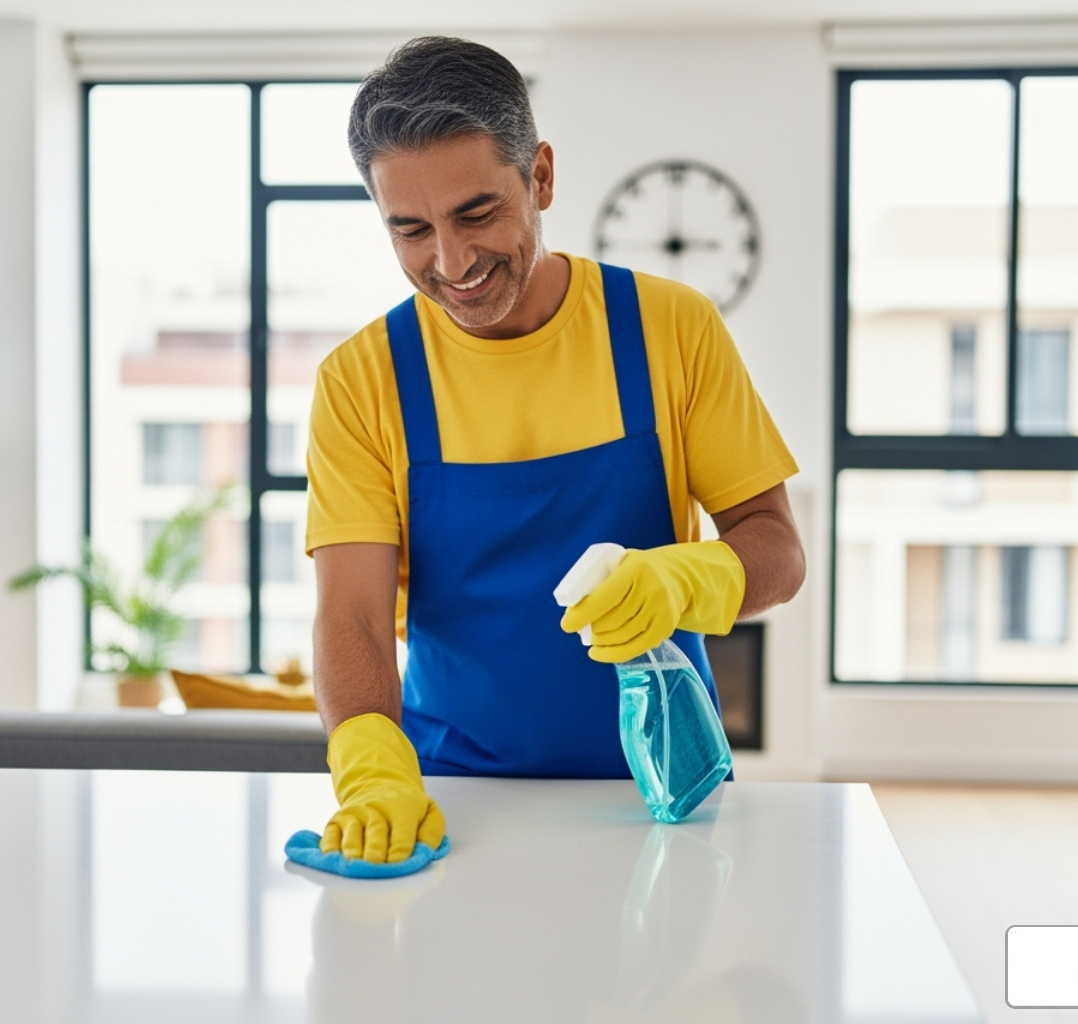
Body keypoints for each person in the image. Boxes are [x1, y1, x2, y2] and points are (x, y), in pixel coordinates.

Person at [306, 36, 805, 865]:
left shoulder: (670, 329)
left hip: (664, 798)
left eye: (477, 214)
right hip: (456, 801)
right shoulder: (363, 381)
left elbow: (778, 550)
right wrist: (369, 768)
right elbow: (351, 614)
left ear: (539, 176)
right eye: (411, 230)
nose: (453, 261)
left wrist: (688, 577)